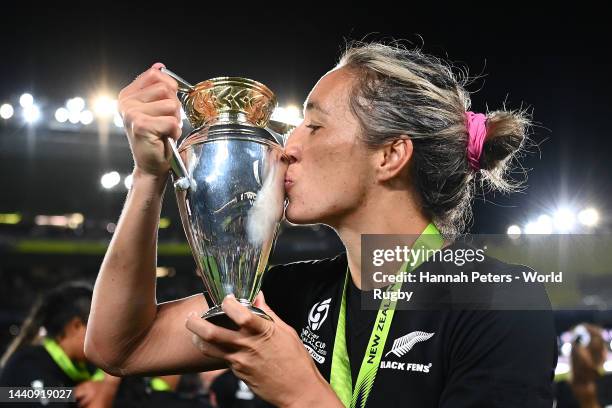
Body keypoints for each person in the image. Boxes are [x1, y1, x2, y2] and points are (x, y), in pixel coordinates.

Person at [85, 42, 557, 407]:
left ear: (391, 155)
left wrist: (302, 394)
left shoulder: (499, 301)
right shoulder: (296, 293)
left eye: (314, 126)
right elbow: (121, 348)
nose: (287, 148)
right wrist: (150, 174)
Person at [0, 282, 120, 407]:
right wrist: (109, 384)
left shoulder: (85, 368)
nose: (105, 336)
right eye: (100, 327)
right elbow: (8, 395)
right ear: (76, 326)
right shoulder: (27, 364)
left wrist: (70, 394)